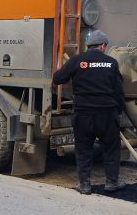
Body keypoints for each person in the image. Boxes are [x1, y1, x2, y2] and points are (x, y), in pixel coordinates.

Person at [52, 29, 126, 195]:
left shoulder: (77, 61)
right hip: (107, 113)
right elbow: (119, 91)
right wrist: (118, 111)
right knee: (111, 148)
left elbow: (58, 78)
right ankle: (111, 182)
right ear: (103, 45)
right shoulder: (111, 62)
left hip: (83, 113)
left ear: (89, 45)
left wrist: (69, 72)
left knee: (84, 148)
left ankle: (85, 184)